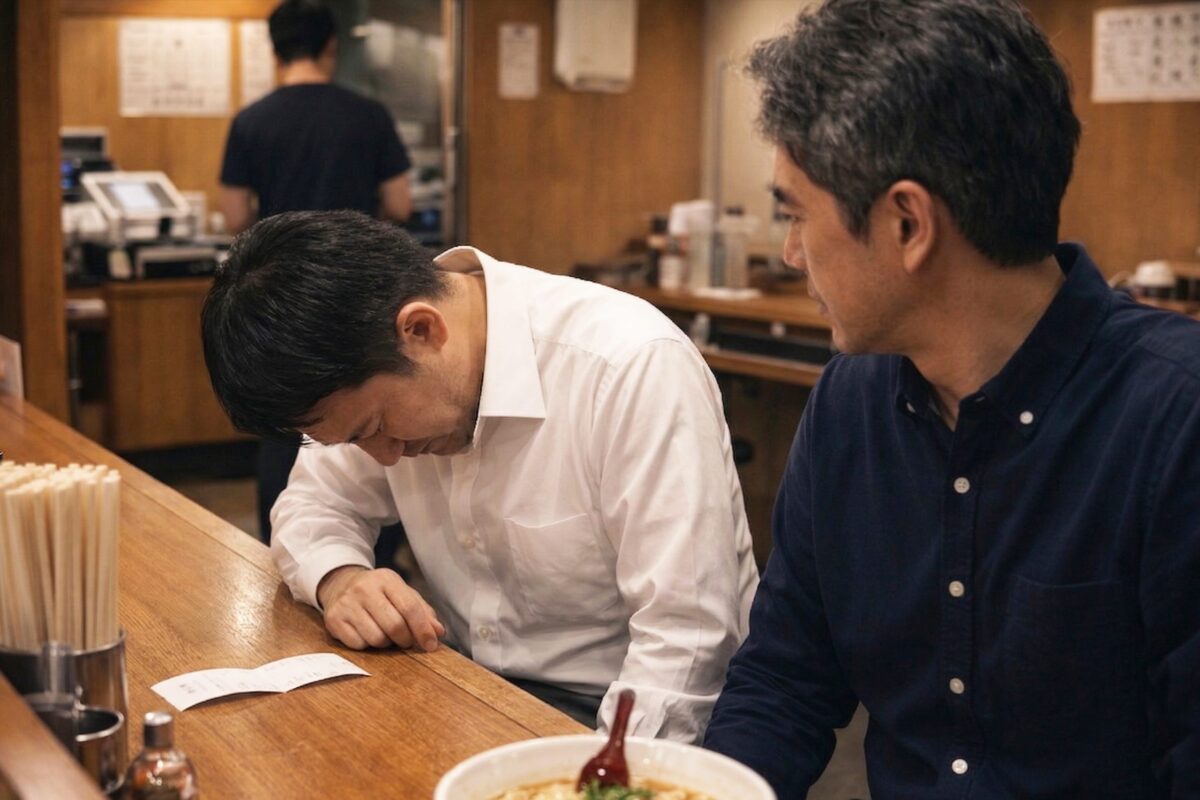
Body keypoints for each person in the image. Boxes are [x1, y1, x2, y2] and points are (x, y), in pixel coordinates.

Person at [703, 0, 1200, 797]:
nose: (792, 251)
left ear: (908, 224)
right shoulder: (849, 404)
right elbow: (787, 681)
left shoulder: (1175, 421)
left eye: (795, 213)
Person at [201, 210, 759, 740]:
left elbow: (685, 641)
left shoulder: (627, 367)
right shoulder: (365, 373)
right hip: (471, 687)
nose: (384, 458)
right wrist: (340, 579)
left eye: (375, 427)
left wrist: (606, 780)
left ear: (421, 329)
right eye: (353, 441)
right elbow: (311, 504)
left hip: (627, 710)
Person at [217, 0, 413, 541]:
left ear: (275, 49)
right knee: (374, 416)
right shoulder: (367, 115)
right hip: (362, 289)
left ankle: (286, 545)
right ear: (331, 46)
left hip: (279, 294)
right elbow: (398, 202)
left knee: (290, 420)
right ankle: (381, 552)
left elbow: (234, 216)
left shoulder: (251, 120)